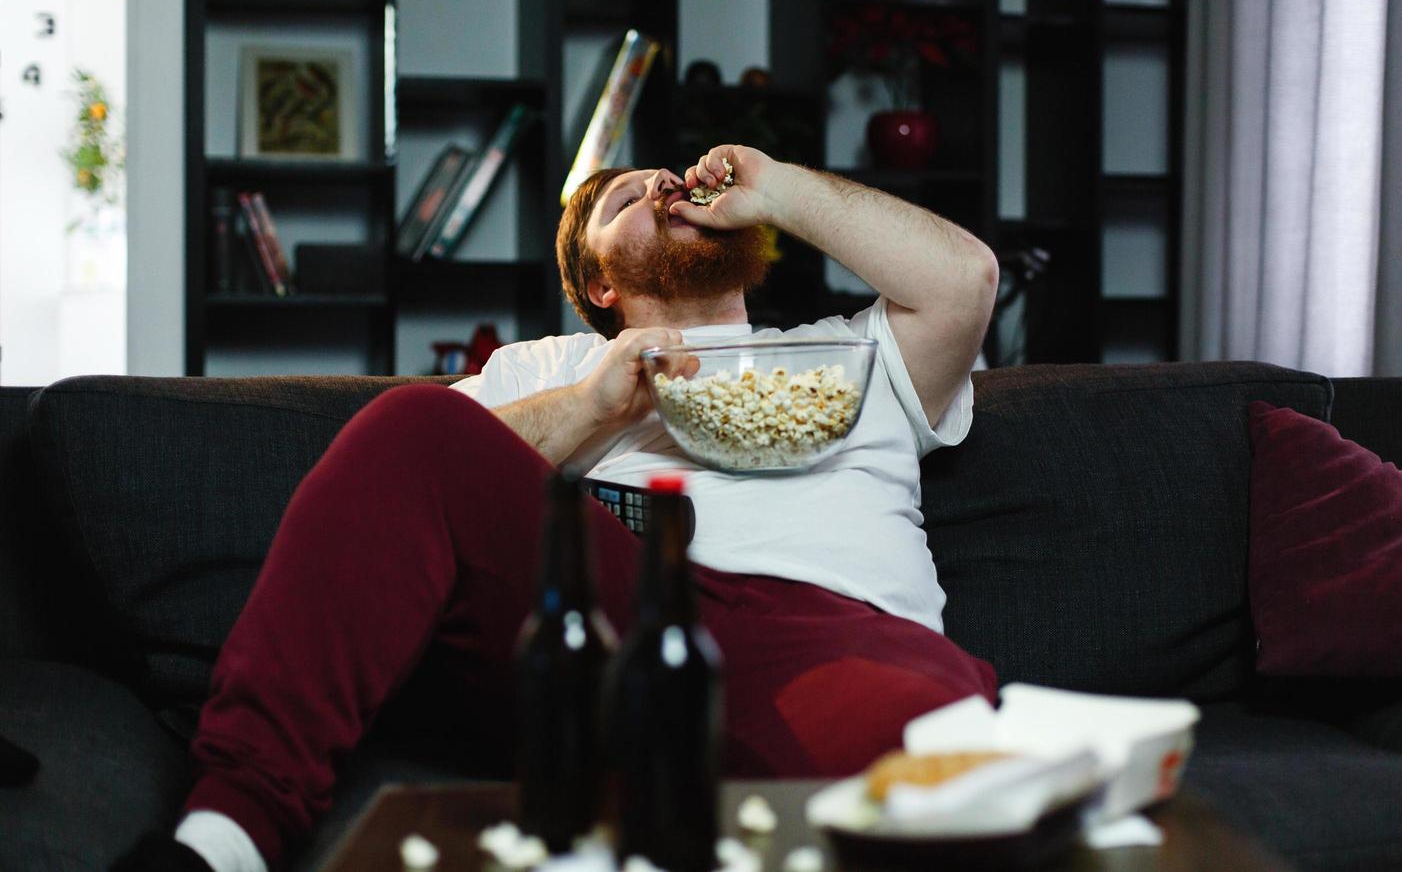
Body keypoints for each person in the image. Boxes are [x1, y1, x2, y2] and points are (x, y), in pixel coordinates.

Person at [113, 144, 1001, 872]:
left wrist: (779, 188)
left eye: (670, 181)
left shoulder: (852, 350)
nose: (662, 187)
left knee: (925, 783)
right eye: (626, 202)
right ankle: (225, 838)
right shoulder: (549, 368)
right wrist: (595, 405)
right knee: (413, 421)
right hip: (620, 627)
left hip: (841, 632)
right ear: (601, 288)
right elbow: (397, 492)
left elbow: (965, 279)